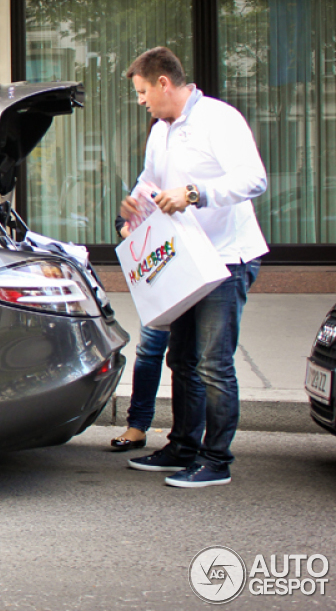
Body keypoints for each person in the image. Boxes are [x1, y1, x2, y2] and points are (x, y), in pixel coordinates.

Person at [119, 46, 267, 488]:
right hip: (187, 261)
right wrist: (134, 206)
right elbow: (151, 181)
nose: (141, 100)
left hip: (226, 259)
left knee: (213, 363)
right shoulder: (160, 130)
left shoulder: (219, 119)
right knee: (181, 359)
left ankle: (216, 459)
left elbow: (254, 178)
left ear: (164, 83)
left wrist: (195, 193)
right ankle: (182, 446)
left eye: (143, 91)